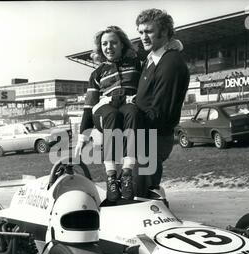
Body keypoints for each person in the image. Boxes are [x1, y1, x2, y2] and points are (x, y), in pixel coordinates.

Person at [75, 26, 141, 202]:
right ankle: (111, 176)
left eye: (113, 42)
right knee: (111, 115)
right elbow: (89, 106)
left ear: (122, 45)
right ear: (100, 47)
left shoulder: (136, 64)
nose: (109, 47)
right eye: (104, 44)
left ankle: (126, 174)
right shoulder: (97, 73)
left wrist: (174, 45)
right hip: (104, 108)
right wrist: (83, 135)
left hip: (128, 104)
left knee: (133, 113)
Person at [133, 9, 190, 198]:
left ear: (164, 31)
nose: (143, 37)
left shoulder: (170, 63)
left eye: (148, 31)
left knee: (139, 198)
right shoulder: (152, 59)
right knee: (128, 192)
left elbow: (160, 113)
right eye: (140, 32)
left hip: (153, 139)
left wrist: (126, 118)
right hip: (141, 137)